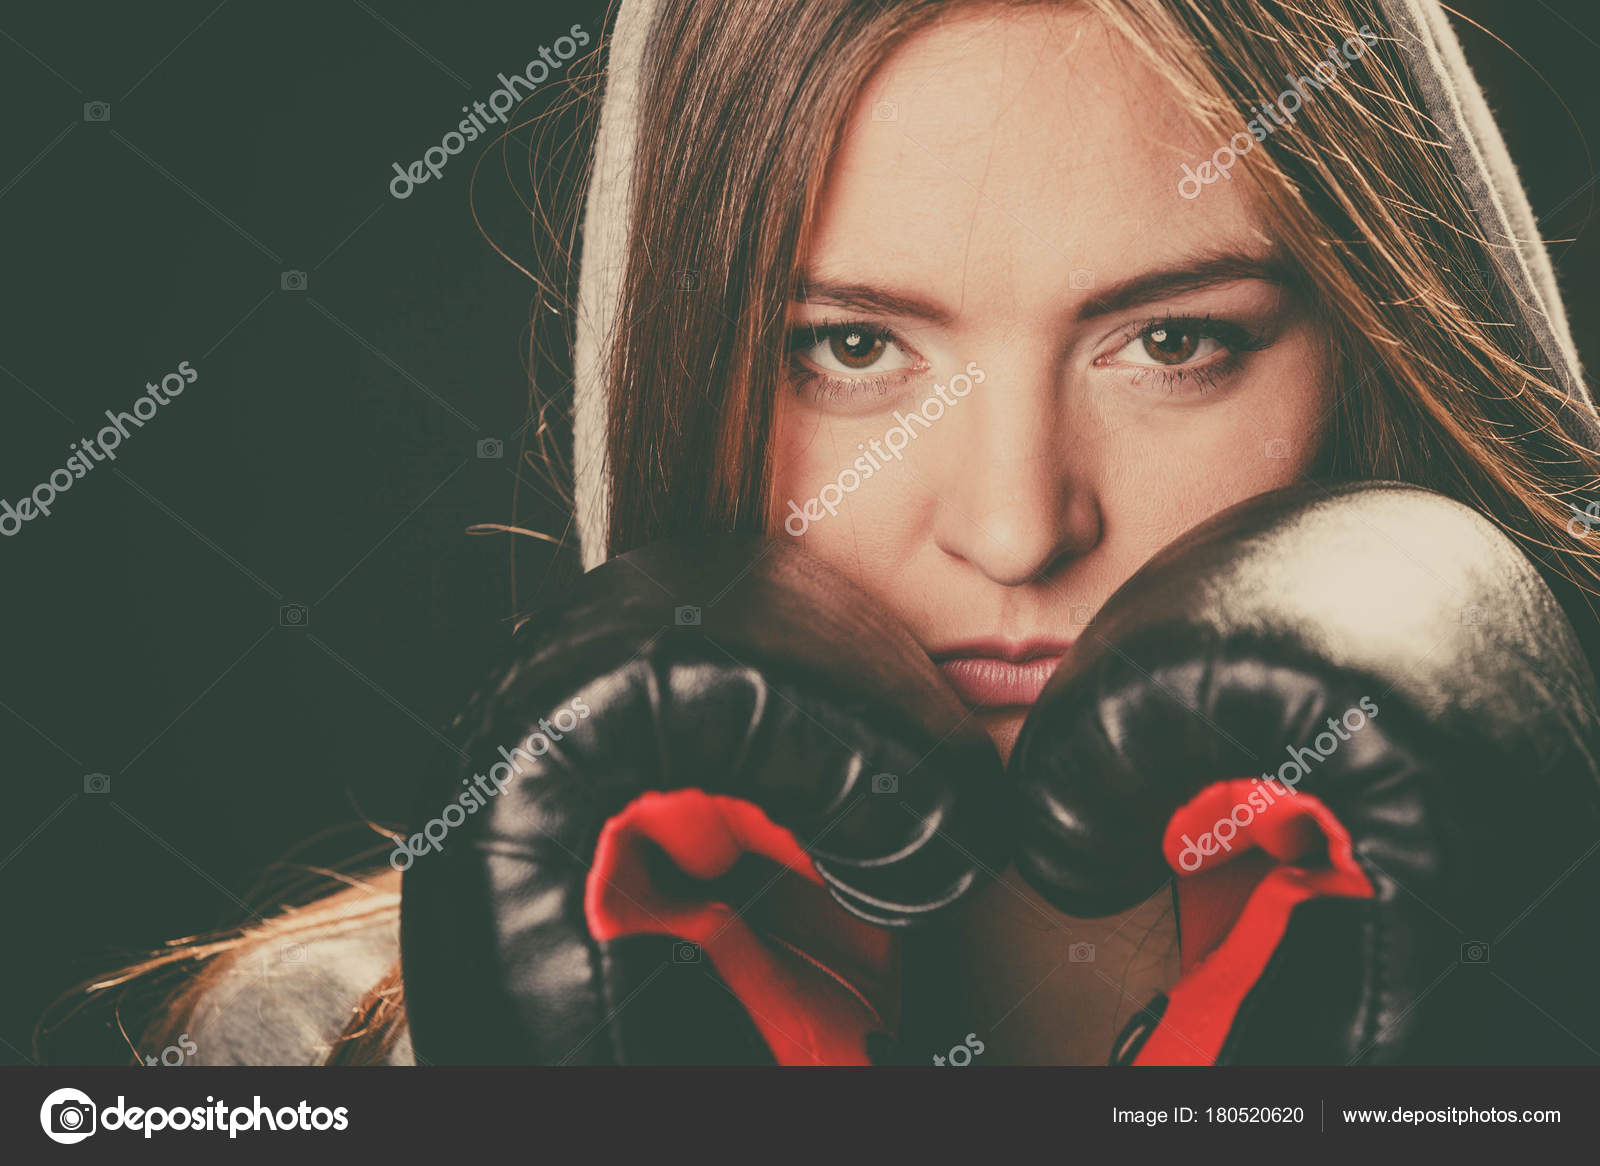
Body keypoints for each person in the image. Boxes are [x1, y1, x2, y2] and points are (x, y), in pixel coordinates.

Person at [62, 0, 1600, 1065]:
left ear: (1381, 363)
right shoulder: (320, 1054)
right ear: (685, 375)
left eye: (1177, 340)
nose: (1014, 524)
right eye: (854, 349)